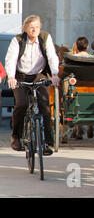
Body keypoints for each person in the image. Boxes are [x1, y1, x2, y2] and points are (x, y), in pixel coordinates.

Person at [5, 15, 60, 155]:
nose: (34, 29)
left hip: (39, 74)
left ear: (40, 27)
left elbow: (52, 56)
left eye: (37, 26)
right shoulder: (17, 40)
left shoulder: (45, 38)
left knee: (44, 105)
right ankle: (16, 136)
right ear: (25, 29)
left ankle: (47, 141)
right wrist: (11, 76)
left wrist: (54, 74)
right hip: (20, 75)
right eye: (31, 27)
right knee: (21, 104)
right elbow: (10, 59)